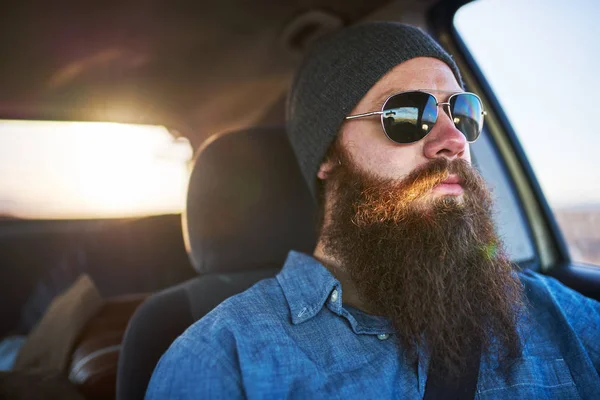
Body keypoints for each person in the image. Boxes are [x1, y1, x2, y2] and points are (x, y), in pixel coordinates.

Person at [145, 22, 600, 399]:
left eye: (462, 113)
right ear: (328, 153)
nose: (454, 139)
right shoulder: (226, 359)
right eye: (407, 114)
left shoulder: (556, 314)